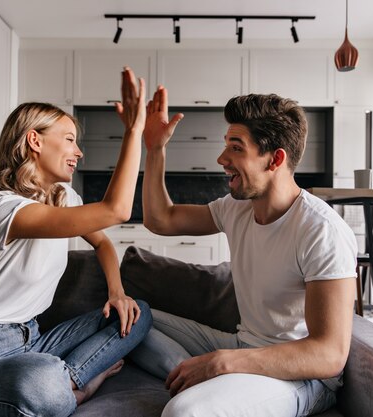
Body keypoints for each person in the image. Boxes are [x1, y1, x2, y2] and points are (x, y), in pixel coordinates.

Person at [130, 86, 358, 417]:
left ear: (275, 159)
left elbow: (329, 354)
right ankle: (201, 378)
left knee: (184, 413)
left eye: (236, 148)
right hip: (244, 345)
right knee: (129, 318)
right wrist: (154, 150)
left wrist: (224, 362)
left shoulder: (320, 230)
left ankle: (207, 382)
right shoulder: (236, 208)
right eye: (226, 146)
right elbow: (160, 220)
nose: (222, 159)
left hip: (302, 376)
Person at [0, 67, 152, 417]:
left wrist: (116, 292)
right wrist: (134, 131)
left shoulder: (64, 196)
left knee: (136, 311)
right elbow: (116, 210)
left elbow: (102, 243)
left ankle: (66, 383)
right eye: (69, 139)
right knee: (38, 381)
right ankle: (77, 386)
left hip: (34, 339)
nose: (78, 151)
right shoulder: (3, 209)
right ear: (35, 141)